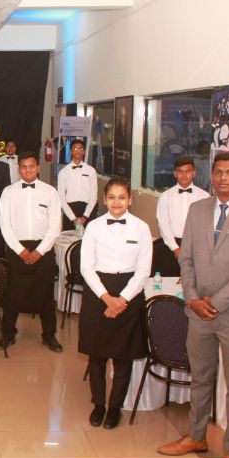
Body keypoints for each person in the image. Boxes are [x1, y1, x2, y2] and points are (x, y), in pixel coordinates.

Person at [157, 152, 229, 458]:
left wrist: (215, 302)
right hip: (198, 313)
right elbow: (186, 259)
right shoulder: (197, 209)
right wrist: (193, 298)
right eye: (218, 172)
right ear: (212, 175)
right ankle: (196, 437)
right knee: (200, 377)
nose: (223, 178)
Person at [79, 176, 152, 430]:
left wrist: (121, 300)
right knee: (96, 355)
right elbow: (86, 267)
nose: (117, 202)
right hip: (98, 293)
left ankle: (114, 408)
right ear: (104, 199)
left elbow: (143, 270)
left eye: (122, 197)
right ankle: (98, 404)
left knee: (123, 357)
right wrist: (107, 298)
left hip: (129, 294)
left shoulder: (142, 228)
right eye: (112, 197)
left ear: (130, 200)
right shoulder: (94, 227)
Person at [0, 152, 63, 352]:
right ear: (19, 169)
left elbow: (55, 226)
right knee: (12, 293)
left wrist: (39, 251)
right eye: (24, 166)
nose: (28, 170)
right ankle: (8, 334)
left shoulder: (50, 192)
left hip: (43, 249)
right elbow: (5, 225)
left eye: (32, 166)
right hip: (16, 249)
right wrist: (20, 250)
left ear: (38, 168)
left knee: (45, 294)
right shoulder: (8, 192)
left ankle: (49, 335)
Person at [154, 156, 210, 276]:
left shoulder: (205, 196)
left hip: (196, 247)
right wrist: (175, 248)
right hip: (171, 245)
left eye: (188, 171)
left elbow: (206, 225)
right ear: (175, 173)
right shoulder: (165, 196)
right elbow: (163, 224)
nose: (184, 175)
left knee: (195, 280)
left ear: (194, 173)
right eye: (180, 171)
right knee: (169, 280)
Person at [57, 139, 98, 231]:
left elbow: (93, 196)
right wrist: (73, 218)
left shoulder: (91, 171)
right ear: (71, 151)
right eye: (75, 149)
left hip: (88, 209)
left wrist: (85, 216)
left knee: (87, 237)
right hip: (70, 210)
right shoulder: (63, 172)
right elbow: (61, 197)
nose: (78, 151)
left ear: (84, 151)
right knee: (70, 238)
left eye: (80, 149)